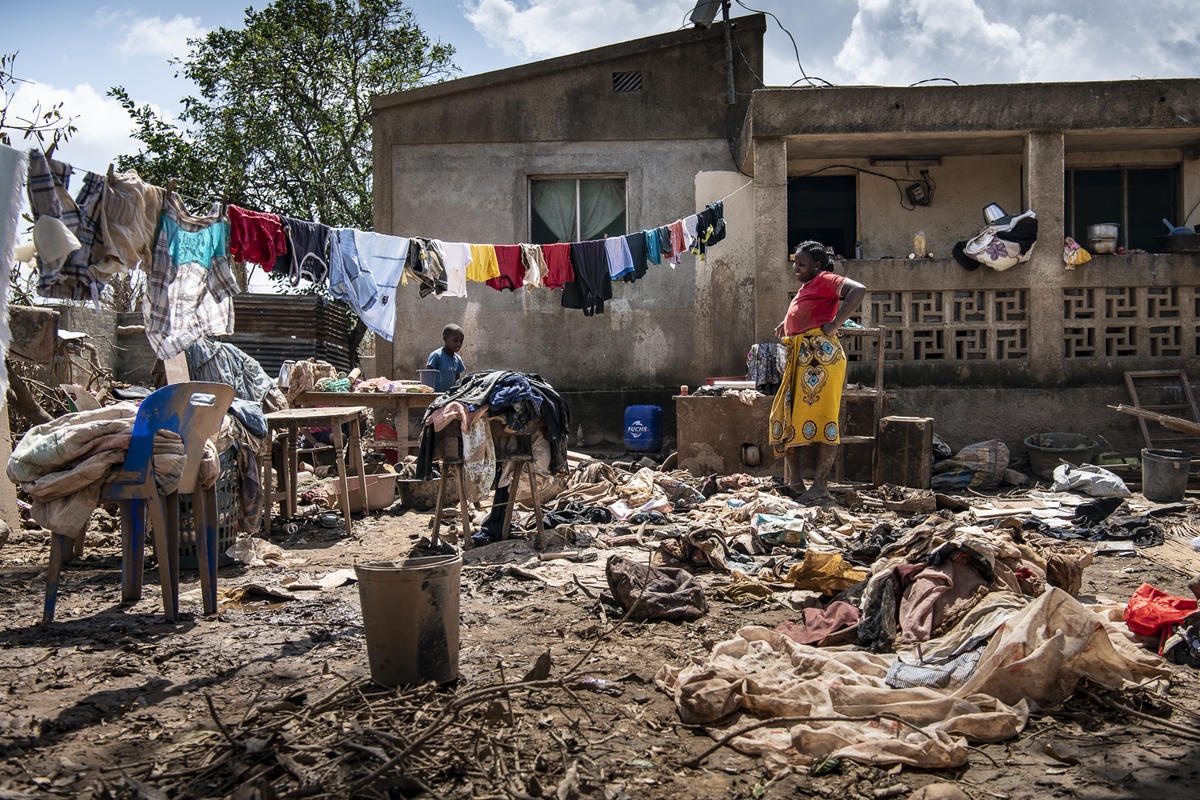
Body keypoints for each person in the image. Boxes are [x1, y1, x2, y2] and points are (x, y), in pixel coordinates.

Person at [769, 241, 866, 504]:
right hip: (801, 356)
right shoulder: (809, 285)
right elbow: (808, 310)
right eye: (795, 263)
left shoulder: (825, 278)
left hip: (820, 359)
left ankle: (820, 486)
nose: (795, 268)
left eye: (801, 264)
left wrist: (835, 324)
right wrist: (787, 321)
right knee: (790, 415)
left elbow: (858, 290)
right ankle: (796, 482)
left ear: (817, 265)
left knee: (823, 420)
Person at [426, 324, 466, 392]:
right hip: (435, 395)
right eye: (455, 340)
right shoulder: (437, 355)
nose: (459, 344)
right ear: (445, 339)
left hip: (448, 396)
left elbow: (457, 380)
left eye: (461, 341)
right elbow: (428, 376)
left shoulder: (458, 359)